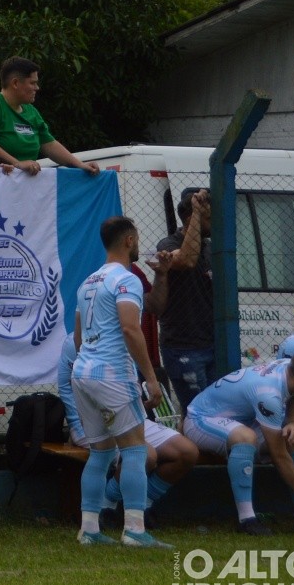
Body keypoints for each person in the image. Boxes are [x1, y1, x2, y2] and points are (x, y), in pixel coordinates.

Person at [69, 216, 169, 548]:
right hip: (112, 375)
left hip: (82, 373)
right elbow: (130, 328)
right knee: (135, 450)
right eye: (137, 239)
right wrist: (151, 379)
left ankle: (89, 529)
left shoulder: (87, 282)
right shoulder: (127, 280)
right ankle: (135, 530)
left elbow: (79, 338)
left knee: (100, 454)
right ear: (129, 240)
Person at [59, 333, 199, 530]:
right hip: (94, 420)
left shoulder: (123, 331)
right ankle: (106, 508)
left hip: (129, 414)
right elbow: (70, 386)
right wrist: (78, 419)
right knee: (145, 455)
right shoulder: (83, 338)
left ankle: (143, 504)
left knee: (186, 452)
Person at [184, 349, 294, 536]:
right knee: (246, 438)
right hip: (201, 419)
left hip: (240, 420)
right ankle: (247, 519)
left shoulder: (292, 369)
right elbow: (279, 455)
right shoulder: (269, 395)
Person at [0, 57, 101, 176]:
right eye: (32, 83)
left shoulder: (31, 111)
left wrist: (79, 165)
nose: (37, 88)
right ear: (15, 83)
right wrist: (17, 163)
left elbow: (50, 145)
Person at [152, 187, 216, 412]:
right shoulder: (168, 245)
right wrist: (198, 213)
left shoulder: (210, 248)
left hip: (212, 343)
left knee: (215, 409)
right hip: (183, 346)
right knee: (198, 410)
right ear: (192, 219)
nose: (214, 223)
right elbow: (187, 260)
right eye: (209, 218)